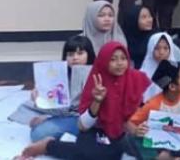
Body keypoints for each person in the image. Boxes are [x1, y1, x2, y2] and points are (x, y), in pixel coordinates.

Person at [22, 41, 150, 159]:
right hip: (96, 130)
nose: (120, 63)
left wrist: (136, 128)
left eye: (123, 58)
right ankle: (49, 146)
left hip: (123, 133)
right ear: (104, 61)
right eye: (113, 59)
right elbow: (84, 125)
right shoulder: (96, 80)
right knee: (88, 154)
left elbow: (140, 112)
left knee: (120, 153)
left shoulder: (136, 79)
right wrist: (97, 101)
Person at [16, 36, 95, 143]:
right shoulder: (61, 75)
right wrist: (38, 98)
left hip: (87, 118)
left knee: (39, 133)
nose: (75, 58)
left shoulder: (95, 73)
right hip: (65, 115)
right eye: (70, 54)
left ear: (89, 54)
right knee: (36, 131)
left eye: (80, 53)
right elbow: (56, 103)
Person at [128, 60, 180, 159]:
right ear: (172, 87)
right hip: (158, 145)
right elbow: (131, 122)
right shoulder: (153, 105)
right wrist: (137, 130)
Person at [139, 32, 180, 102]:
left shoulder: (176, 72)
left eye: (166, 48)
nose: (161, 52)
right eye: (157, 48)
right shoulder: (142, 73)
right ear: (151, 49)